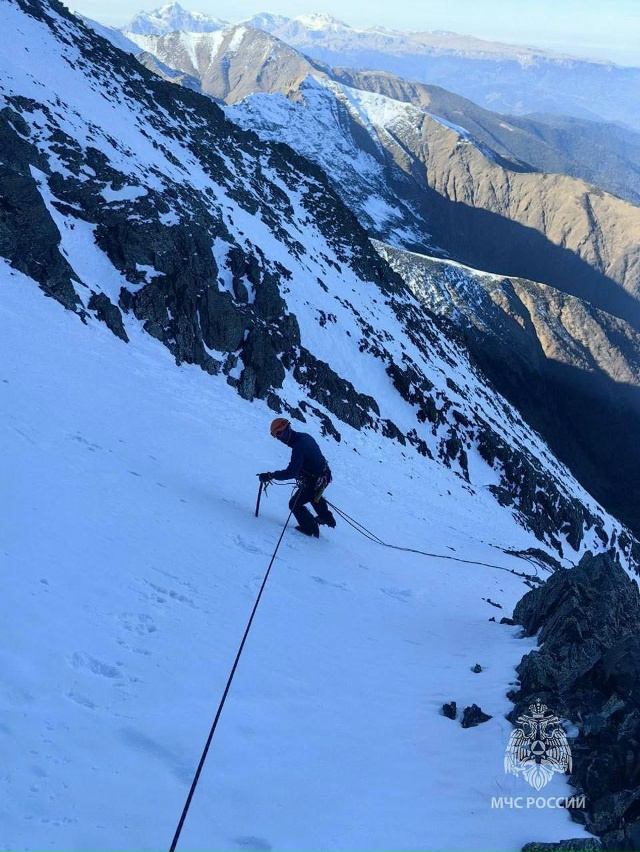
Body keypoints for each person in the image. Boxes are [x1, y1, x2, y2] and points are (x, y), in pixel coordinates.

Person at [258, 418, 336, 537]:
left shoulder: (299, 447)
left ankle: (310, 528)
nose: (281, 438)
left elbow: (291, 472)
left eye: (281, 434)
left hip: (315, 479)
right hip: (323, 475)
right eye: (278, 436)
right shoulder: (304, 437)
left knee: (294, 503)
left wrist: (271, 475)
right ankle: (326, 517)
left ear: (288, 429)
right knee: (313, 495)